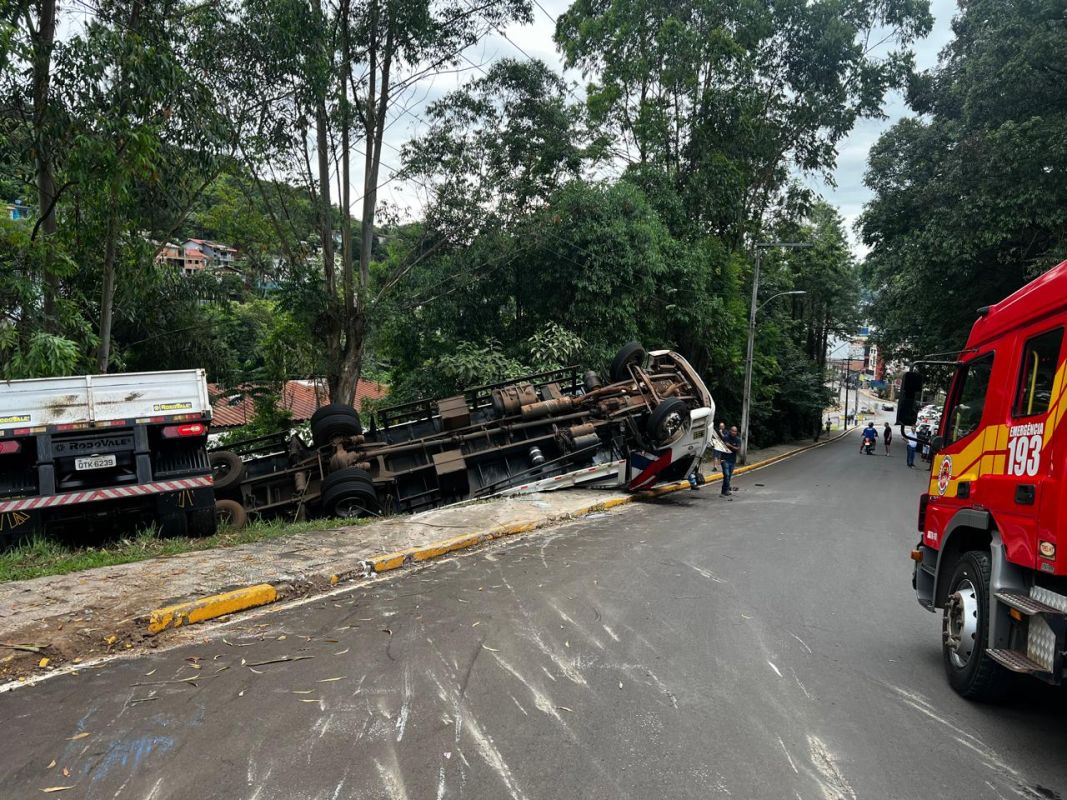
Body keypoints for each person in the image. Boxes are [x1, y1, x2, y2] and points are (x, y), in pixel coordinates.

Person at [719, 425, 741, 498]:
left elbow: (738, 449)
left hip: (732, 460)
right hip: (724, 459)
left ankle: (724, 490)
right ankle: (725, 490)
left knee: (728, 476)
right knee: (727, 475)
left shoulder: (738, 439)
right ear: (730, 431)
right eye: (732, 431)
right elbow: (722, 446)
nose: (734, 432)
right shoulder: (726, 437)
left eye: (735, 431)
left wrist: (730, 446)